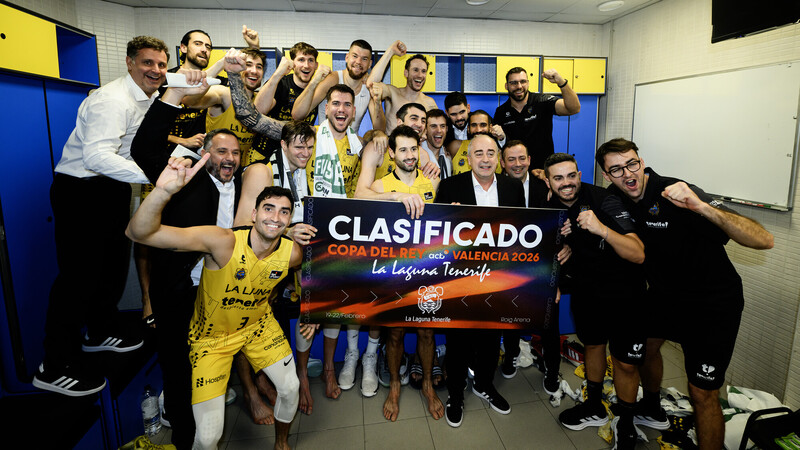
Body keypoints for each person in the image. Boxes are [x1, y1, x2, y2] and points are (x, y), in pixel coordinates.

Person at [596, 138, 774, 449]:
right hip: (664, 296)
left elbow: (763, 240)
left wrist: (700, 206)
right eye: (616, 169)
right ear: (607, 176)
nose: (628, 174)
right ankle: (651, 405)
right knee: (644, 348)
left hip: (712, 303)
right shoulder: (613, 199)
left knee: (701, 392)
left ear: (641, 161)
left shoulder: (675, 190)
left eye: (632, 164)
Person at [126, 155, 309, 450]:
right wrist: (163, 192)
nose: (275, 217)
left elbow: (297, 281)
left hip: (258, 326)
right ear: (253, 213)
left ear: (290, 220)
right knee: (209, 436)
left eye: (284, 212)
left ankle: (282, 443)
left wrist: (311, 314)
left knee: (290, 388)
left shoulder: (292, 254)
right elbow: (138, 232)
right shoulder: (222, 242)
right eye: (268, 209)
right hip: (211, 339)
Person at [129, 65, 258, 448]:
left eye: (235, 152)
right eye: (221, 151)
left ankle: (212, 420)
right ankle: (184, 437)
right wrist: (173, 94)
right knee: (178, 366)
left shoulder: (248, 187)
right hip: (180, 291)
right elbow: (144, 149)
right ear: (204, 152)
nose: (229, 158)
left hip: (223, 295)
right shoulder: (186, 176)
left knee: (214, 364)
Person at [32, 35, 168, 398]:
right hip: (82, 189)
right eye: (147, 63)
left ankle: (99, 330)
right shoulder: (111, 100)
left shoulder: (148, 98)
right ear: (129, 62)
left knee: (110, 266)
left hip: (111, 188)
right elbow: (96, 157)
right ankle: (54, 364)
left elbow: (133, 144)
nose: (155, 70)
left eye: (160, 64)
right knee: (78, 277)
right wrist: (155, 176)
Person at [540, 153, 647, 450]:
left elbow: (637, 253)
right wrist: (557, 270)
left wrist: (601, 228)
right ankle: (594, 406)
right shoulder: (549, 208)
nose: (567, 184)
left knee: (625, 364)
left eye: (571, 176)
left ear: (580, 174)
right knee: (593, 347)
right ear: (548, 182)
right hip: (588, 293)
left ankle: (626, 423)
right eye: (558, 178)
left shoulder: (605, 200)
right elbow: (548, 251)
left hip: (625, 294)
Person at [435, 133, 526, 428]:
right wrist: (454, 217)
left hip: (498, 276)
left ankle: (485, 384)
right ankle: (455, 394)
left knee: (490, 336)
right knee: (458, 339)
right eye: (479, 153)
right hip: (460, 277)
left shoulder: (513, 187)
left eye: (490, 153)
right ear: (469, 158)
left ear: (498, 158)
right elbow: (435, 235)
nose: (485, 159)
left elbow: (523, 231)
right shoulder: (451, 186)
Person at [361, 125, 443, 422]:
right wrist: (394, 196)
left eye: (413, 149)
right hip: (394, 271)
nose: (410, 155)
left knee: (427, 330)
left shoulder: (432, 182)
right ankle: (394, 384)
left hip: (426, 270)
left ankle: (427, 389)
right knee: (394, 332)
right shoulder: (381, 185)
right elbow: (358, 202)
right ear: (392, 153)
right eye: (403, 150)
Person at [498, 141, 560, 390]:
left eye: (521, 158)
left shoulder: (546, 187)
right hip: (508, 266)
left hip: (543, 265)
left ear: (530, 159)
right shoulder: (494, 188)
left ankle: (552, 369)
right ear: (503, 163)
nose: (517, 164)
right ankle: (511, 354)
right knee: (510, 315)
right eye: (511, 159)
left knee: (549, 319)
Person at [181, 29, 266, 165]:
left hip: (240, 169)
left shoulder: (261, 100)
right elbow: (188, 100)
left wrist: (255, 48)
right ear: (239, 67)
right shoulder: (223, 93)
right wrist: (222, 63)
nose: (254, 71)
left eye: (259, 67)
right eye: (248, 65)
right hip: (215, 168)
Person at [493, 67, 580, 170]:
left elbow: (574, 108)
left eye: (523, 81)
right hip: (516, 170)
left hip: (543, 171)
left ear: (528, 83)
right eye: (514, 83)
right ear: (507, 86)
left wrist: (561, 82)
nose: (519, 86)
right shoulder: (501, 112)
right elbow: (499, 145)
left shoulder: (542, 101)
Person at [291, 39, 384, 134]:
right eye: (355, 56)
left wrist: (378, 103)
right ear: (347, 58)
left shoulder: (368, 87)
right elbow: (297, 115)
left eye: (364, 59)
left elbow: (380, 130)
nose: (358, 62)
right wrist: (314, 81)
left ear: (369, 64)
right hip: (325, 143)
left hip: (350, 145)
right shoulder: (333, 79)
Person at [250, 41, 320, 161]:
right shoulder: (281, 84)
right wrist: (278, 73)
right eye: (301, 60)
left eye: (310, 60)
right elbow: (257, 110)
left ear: (316, 65)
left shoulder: (318, 89)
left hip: (297, 158)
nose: (306, 65)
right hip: (264, 153)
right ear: (293, 63)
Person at [367, 43, 438, 133]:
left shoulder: (429, 103)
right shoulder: (392, 93)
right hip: (392, 145)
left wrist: (425, 135)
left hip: (416, 146)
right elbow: (371, 84)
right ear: (406, 73)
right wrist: (390, 52)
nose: (420, 75)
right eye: (415, 70)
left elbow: (437, 128)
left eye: (423, 71)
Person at [447, 110, 505, 176]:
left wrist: (501, 139)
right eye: (474, 125)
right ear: (468, 129)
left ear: (490, 127)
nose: (478, 130)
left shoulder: (499, 151)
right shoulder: (455, 147)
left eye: (483, 125)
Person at [420, 109, 450, 178]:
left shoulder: (448, 157)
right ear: (425, 129)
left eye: (442, 126)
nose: (439, 130)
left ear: (447, 129)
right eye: (433, 126)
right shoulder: (417, 155)